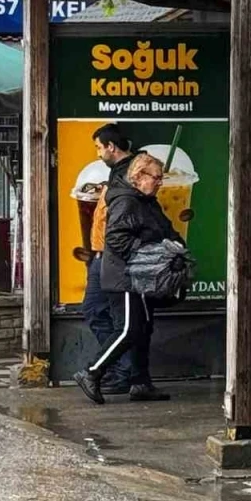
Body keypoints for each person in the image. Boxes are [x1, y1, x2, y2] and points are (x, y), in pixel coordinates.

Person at [74, 153, 180, 404]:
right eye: (156, 177)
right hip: (125, 276)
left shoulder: (146, 201)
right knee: (128, 329)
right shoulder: (126, 202)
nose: (160, 183)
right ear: (139, 176)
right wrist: (153, 251)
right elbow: (117, 239)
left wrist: (176, 246)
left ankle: (140, 382)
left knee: (142, 328)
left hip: (140, 276)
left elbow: (165, 229)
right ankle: (92, 372)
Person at [83, 124, 139, 393]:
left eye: (99, 147)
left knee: (122, 321)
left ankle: (121, 373)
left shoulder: (132, 173)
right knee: (94, 310)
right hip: (101, 255)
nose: (98, 153)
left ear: (111, 147)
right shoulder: (117, 173)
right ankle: (120, 368)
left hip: (115, 257)